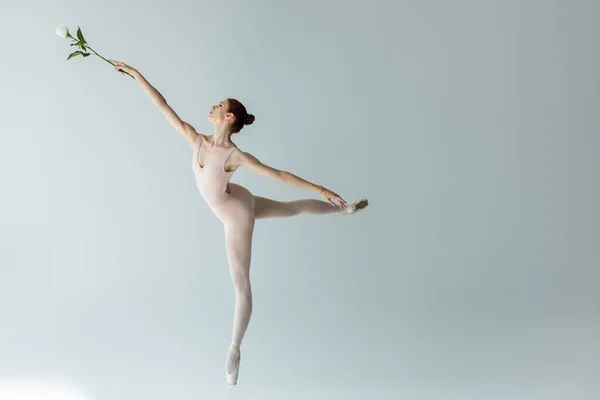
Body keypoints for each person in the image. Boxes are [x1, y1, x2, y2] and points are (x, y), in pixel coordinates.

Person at [110, 60, 369, 384]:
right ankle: (344, 210)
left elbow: (278, 174)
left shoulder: (235, 155)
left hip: (236, 216)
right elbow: (163, 106)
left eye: (219, 105)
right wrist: (134, 74)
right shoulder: (197, 139)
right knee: (291, 209)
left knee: (241, 287)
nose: (213, 106)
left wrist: (320, 187)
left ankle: (234, 351)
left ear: (229, 117)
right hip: (238, 198)